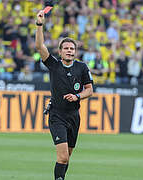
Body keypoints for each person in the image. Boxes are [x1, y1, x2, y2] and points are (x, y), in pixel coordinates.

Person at [35, 10, 93, 180]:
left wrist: (77, 97)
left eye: (72, 48)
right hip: (57, 115)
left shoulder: (82, 67)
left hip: (74, 116)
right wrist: (39, 25)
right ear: (60, 52)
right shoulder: (54, 65)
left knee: (67, 157)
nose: (69, 51)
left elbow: (89, 89)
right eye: (66, 48)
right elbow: (39, 47)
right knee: (63, 157)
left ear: (75, 51)